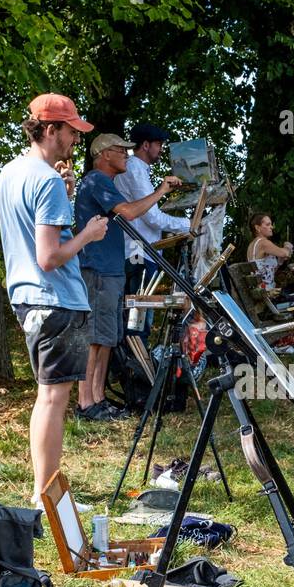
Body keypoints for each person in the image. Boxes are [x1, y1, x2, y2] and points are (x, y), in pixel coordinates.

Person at [0, 93, 109, 505]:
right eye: (70, 132)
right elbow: (50, 256)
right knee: (54, 398)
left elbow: (32, 235)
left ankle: (45, 489)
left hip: (28, 298)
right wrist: (89, 235)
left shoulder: (12, 172)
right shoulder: (45, 180)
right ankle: (48, 495)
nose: (75, 141)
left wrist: (65, 193)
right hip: (56, 300)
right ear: (50, 130)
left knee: (49, 395)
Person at [74, 133, 182, 420]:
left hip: (111, 270)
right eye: (121, 151)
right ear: (104, 154)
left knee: (108, 337)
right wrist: (161, 190)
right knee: (94, 337)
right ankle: (86, 403)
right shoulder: (96, 180)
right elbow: (131, 213)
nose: (126, 155)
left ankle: (99, 398)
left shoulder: (107, 184)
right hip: (96, 269)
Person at [115, 123, 192, 336]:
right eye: (158, 144)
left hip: (138, 249)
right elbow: (152, 217)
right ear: (145, 145)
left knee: (136, 311)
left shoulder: (136, 168)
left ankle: (135, 360)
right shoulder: (135, 168)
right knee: (138, 315)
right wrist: (188, 224)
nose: (161, 149)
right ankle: (136, 364)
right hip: (138, 251)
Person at [245, 212, 293, 291]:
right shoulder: (263, 242)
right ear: (257, 228)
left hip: (258, 290)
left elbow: (265, 271)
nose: (272, 227)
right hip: (266, 291)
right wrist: (287, 247)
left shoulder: (252, 244)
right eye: (268, 225)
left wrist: (279, 261)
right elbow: (284, 253)